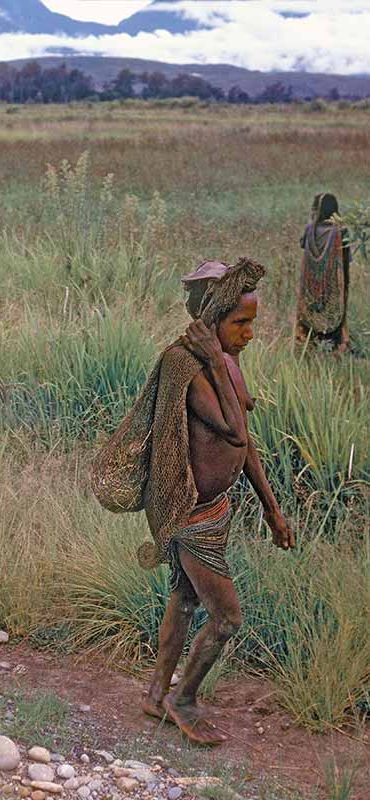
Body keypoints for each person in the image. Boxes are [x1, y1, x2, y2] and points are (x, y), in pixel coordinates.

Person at [136, 259, 296, 746]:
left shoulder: (224, 361)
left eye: (252, 322)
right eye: (240, 323)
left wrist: (271, 508)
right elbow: (232, 428)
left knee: (185, 598)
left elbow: (244, 445)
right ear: (211, 318)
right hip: (189, 512)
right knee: (227, 618)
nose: (250, 334)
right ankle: (182, 700)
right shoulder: (184, 365)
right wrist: (212, 360)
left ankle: (156, 695)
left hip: (213, 510)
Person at [295, 193, 351, 353]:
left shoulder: (310, 230)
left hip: (310, 285)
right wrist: (345, 284)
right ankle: (335, 348)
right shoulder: (341, 231)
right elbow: (346, 260)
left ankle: (310, 347)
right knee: (334, 315)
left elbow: (302, 244)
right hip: (334, 285)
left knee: (311, 318)